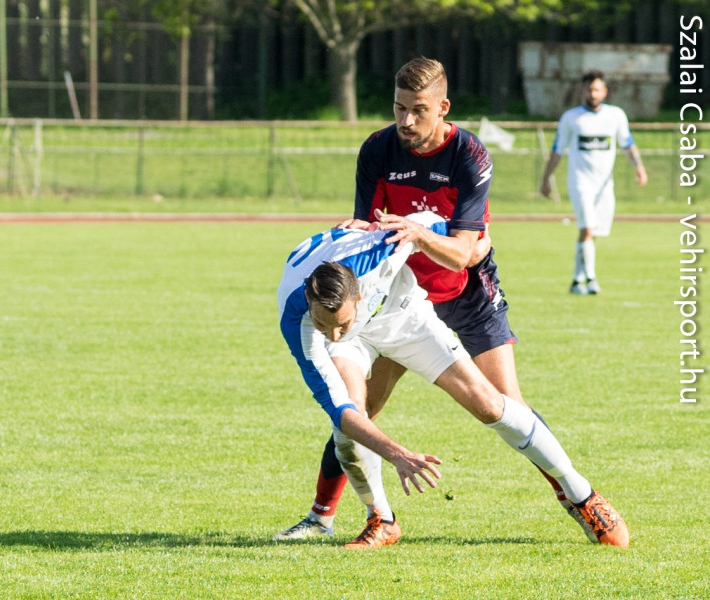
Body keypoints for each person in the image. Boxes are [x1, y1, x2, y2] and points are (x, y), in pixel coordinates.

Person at [275, 57, 584, 544]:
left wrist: (422, 236)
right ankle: (332, 516)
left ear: (443, 107)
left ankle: (577, 498)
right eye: (398, 109)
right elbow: (365, 226)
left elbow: (464, 253)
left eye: (418, 110)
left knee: (502, 405)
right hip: (389, 293)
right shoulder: (377, 148)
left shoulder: (469, 154)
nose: (406, 122)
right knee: (358, 414)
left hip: (463, 288)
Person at [277, 217, 629, 549]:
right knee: (349, 424)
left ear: (358, 296)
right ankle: (382, 519)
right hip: (357, 337)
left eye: (341, 323)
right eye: (325, 325)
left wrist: (478, 243)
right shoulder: (300, 322)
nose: (334, 335)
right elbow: (341, 410)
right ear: (310, 303)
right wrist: (398, 454)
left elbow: (446, 227)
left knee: (490, 403)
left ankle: (580, 493)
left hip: (401, 315)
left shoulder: (381, 250)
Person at [540, 69, 648, 295]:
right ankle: (590, 278)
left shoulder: (616, 116)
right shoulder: (571, 118)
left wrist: (638, 167)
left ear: (605, 91)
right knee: (587, 227)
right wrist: (546, 178)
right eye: (589, 89)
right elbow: (557, 150)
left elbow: (627, 143)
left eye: (597, 89)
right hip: (581, 183)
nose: (593, 93)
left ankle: (577, 280)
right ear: (583, 91)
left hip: (604, 186)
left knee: (593, 231)